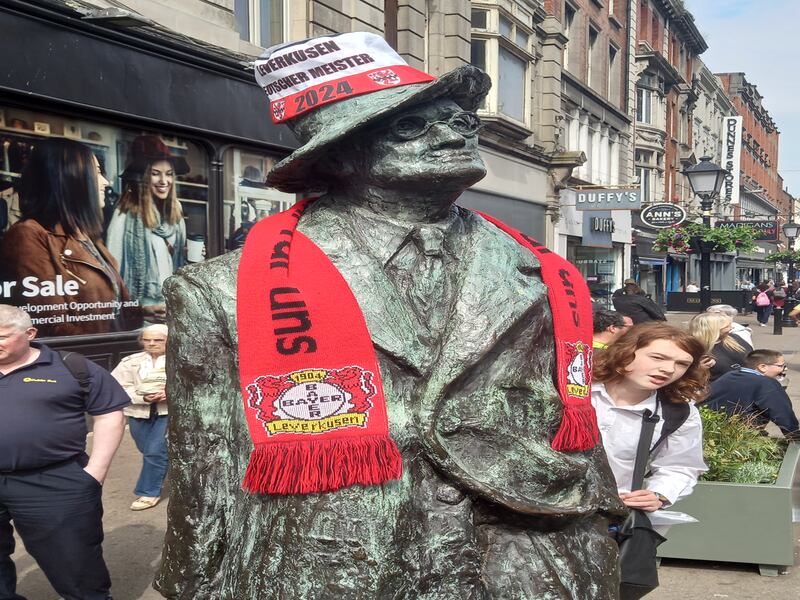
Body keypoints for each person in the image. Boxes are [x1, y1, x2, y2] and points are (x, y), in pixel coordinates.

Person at [154, 33, 623, 599]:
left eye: (461, 121)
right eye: (410, 126)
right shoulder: (219, 290)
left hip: (526, 548)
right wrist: (194, 582)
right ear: (341, 154)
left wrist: (601, 527)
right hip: (333, 559)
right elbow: (204, 464)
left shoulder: (544, 271)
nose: (454, 130)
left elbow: (569, 407)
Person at [0, 304, 129, 600]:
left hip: (53, 481)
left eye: (2, 336)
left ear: (29, 333)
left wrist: (94, 473)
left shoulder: (71, 367)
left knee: (74, 565)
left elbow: (110, 414)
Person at [0, 138, 137, 337]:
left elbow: (114, 304)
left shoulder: (85, 235)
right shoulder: (28, 235)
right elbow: (52, 324)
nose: (105, 182)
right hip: (83, 361)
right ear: (70, 179)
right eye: (97, 172)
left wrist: (143, 313)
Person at [592, 322, 709, 511]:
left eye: (682, 364)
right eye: (657, 358)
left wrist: (658, 494)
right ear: (625, 351)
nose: (669, 369)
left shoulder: (677, 412)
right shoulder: (574, 391)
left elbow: (680, 466)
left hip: (611, 516)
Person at [106, 135, 189, 323]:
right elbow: (113, 272)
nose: (163, 180)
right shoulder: (125, 213)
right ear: (144, 177)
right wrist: (139, 308)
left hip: (172, 308)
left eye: (168, 174)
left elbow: (177, 263)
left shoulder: (175, 211)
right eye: (155, 173)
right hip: (142, 314)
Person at [111, 324, 169, 511]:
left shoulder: (179, 360)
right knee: (147, 449)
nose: (152, 343)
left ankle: (148, 492)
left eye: (158, 340)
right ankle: (169, 469)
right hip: (138, 412)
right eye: (147, 340)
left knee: (154, 451)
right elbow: (116, 387)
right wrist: (141, 397)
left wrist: (171, 393)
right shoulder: (131, 362)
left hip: (168, 412)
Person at [705, 350, 799, 440]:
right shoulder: (766, 383)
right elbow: (782, 412)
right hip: (740, 435)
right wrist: (794, 436)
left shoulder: (730, 375)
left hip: (709, 429)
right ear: (762, 367)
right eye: (781, 366)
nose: (785, 369)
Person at [688, 312, 752, 382]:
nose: (732, 328)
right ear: (714, 329)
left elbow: (753, 357)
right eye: (727, 326)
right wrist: (698, 369)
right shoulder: (693, 349)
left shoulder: (735, 338)